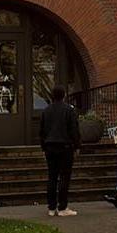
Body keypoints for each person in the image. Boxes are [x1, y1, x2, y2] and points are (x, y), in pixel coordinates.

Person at [39, 84, 80, 216]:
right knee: (64, 177)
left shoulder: (46, 111)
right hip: (65, 147)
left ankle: (51, 207)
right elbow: (74, 130)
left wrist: (43, 147)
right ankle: (62, 207)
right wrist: (77, 146)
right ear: (64, 96)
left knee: (52, 177)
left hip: (50, 147)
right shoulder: (69, 110)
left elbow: (42, 131)